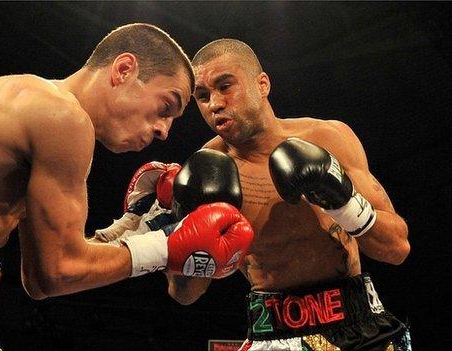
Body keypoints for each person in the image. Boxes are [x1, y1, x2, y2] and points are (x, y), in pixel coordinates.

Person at [0, 25, 255, 351]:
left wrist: (134, 229)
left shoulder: (22, 96)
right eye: (166, 107)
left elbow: (41, 271)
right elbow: (55, 275)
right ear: (124, 70)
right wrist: (166, 247)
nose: (163, 130)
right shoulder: (63, 120)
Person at [104, 39, 412, 350]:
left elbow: (397, 248)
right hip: (274, 332)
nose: (214, 104)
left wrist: (343, 201)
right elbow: (185, 294)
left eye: (225, 86)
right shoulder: (205, 170)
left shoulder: (328, 138)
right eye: (202, 96)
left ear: (262, 84)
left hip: (359, 323)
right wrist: (193, 237)